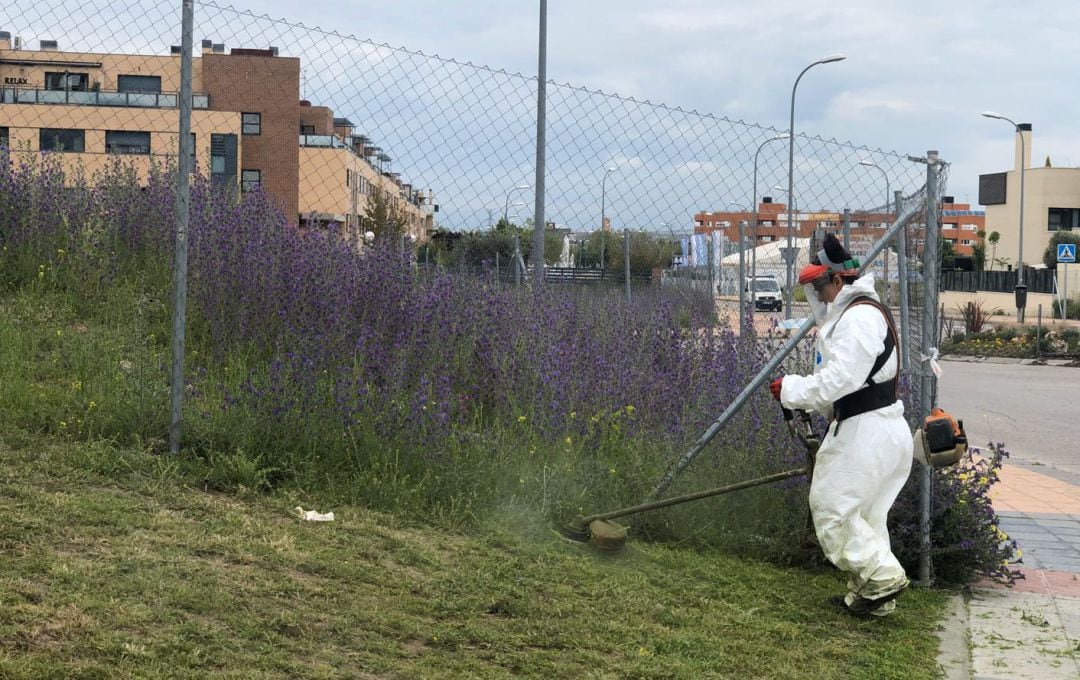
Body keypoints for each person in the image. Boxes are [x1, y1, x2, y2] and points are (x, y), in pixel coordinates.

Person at [768, 234, 912, 618]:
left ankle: (882, 578)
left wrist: (792, 389)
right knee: (864, 517)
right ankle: (872, 596)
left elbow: (840, 379)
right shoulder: (861, 313)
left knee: (831, 508)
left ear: (837, 280)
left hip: (868, 431)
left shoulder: (859, 317)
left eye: (819, 286)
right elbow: (846, 380)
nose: (818, 294)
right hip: (874, 428)